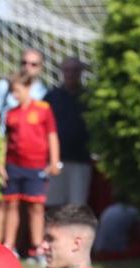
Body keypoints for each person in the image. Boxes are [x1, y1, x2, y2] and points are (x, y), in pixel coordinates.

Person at [0, 49, 49, 248]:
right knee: (3, 202)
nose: (28, 67)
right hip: (5, 152)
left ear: (40, 68)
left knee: (30, 204)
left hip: (32, 158)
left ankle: (24, 246)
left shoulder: (43, 92)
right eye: (24, 62)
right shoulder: (4, 86)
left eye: (33, 64)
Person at [0, 72, 60, 262]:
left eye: (17, 90)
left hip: (36, 166)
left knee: (36, 207)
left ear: (28, 87)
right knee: (11, 205)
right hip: (13, 166)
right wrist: (0, 164)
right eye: (12, 91)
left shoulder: (43, 109)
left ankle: (38, 247)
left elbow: (52, 135)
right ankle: (9, 245)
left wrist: (54, 161)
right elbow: (4, 141)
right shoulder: (10, 113)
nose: (14, 95)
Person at [44, 56, 93, 207]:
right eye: (67, 70)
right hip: (56, 161)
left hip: (81, 160)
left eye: (75, 70)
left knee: (77, 206)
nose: (71, 74)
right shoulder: (52, 97)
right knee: (53, 206)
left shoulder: (89, 98)